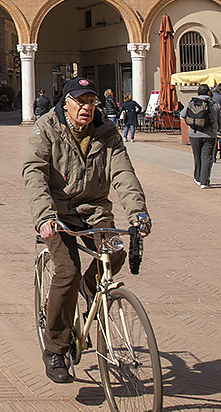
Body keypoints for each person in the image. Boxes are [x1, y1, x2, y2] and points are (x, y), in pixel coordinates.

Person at [23, 77, 150, 384]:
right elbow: (34, 173)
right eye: (80, 102)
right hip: (59, 213)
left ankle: (91, 288)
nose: (87, 108)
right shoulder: (47, 128)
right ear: (65, 102)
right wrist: (44, 217)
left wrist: (138, 214)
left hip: (94, 210)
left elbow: (123, 173)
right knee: (67, 271)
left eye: (92, 102)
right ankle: (56, 348)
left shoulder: (107, 132)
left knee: (117, 252)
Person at [184, 84, 221, 188]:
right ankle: (204, 181)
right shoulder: (214, 103)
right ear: (209, 92)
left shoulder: (192, 102)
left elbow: (183, 114)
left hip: (194, 133)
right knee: (207, 157)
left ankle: (197, 177)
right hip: (210, 134)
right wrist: (217, 130)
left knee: (197, 156)